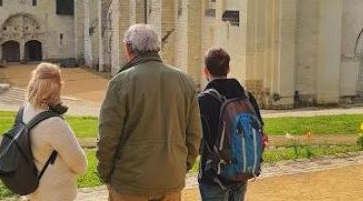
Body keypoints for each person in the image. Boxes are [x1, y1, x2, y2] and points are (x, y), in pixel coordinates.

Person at [97, 24, 202, 201]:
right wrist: (182, 166)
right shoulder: (185, 81)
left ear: (129, 48)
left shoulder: (120, 82)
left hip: (130, 182)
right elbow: (194, 135)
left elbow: (108, 137)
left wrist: (106, 174)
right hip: (171, 178)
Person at [198, 48, 265, 201]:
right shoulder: (246, 96)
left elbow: (197, 138)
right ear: (228, 69)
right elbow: (260, 131)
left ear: (205, 71)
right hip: (241, 171)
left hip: (213, 176)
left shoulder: (203, 101)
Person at [24, 63, 88, 201]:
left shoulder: (24, 111)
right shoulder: (54, 123)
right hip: (55, 195)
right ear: (58, 87)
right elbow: (81, 165)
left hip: (32, 190)